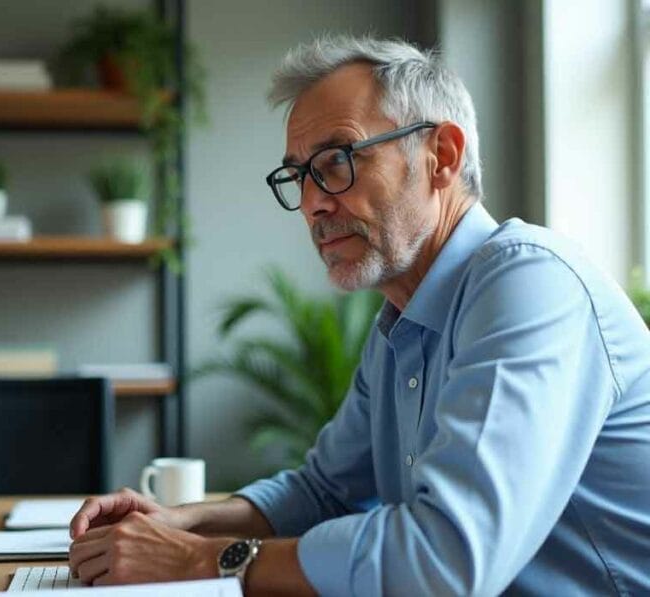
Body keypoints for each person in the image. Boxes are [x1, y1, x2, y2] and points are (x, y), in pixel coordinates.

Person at [67, 35, 650, 596]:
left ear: (441, 157)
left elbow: (447, 559)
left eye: (338, 161)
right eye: (300, 175)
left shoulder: (531, 284)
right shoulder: (399, 325)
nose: (315, 202)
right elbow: (323, 493)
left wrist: (198, 559)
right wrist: (179, 522)